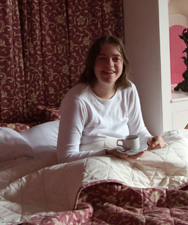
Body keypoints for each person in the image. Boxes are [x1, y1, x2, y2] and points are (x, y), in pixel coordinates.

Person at [56, 35, 166, 163]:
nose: (109, 64)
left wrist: (151, 140)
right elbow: (65, 157)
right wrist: (107, 152)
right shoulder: (77, 100)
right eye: (102, 58)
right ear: (92, 63)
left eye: (116, 59)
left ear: (123, 63)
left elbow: (138, 131)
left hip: (124, 152)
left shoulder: (128, 89)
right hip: (94, 159)